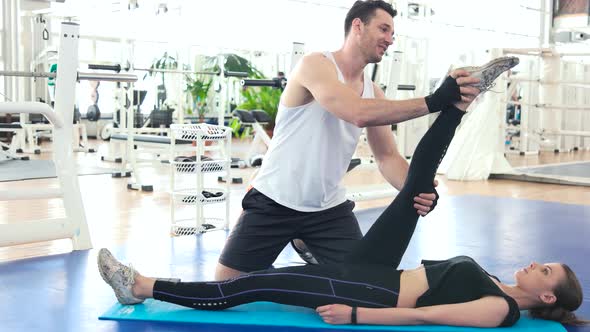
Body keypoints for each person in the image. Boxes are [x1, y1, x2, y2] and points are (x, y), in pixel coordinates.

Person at [98, 77, 585, 327]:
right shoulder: (501, 284)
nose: (537, 263)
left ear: (546, 297)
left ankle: (139, 286)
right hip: (382, 271)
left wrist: (357, 316)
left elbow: (425, 316)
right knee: (417, 186)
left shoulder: (500, 310)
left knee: (250, 286)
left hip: (369, 292)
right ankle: (456, 105)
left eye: (546, 272)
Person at [215, 0, 479, 280]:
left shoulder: (372, 91)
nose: (390, 39)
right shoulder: (315, 65)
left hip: (327, 210)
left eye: (392, 33)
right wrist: (436, 100)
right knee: (225, 285)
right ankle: (298, 248)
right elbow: (356, 112)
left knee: (367, 281)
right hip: (274, 199)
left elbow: (387, 157)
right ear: (357, 26)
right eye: (384, 29)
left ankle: (305, 242)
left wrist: (417, 189)